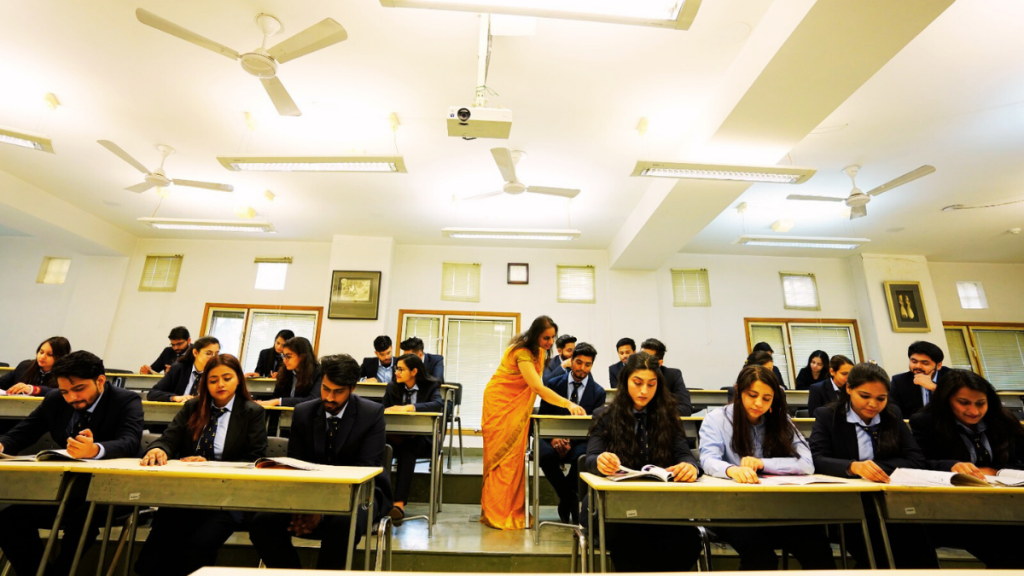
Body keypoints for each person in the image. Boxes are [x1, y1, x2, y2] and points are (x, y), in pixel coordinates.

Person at [0, 351, 143, 576]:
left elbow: (130, 441)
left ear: (100, 381)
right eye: (65, 391)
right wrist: (2, 444)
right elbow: (23, 432)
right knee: (9, 518)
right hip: (66, 491)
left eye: (78, 389)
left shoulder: (125, 400)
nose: (72, 398)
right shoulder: (56, 399)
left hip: (113, 492)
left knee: (82, 518)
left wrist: (95, 450)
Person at [249, 354, 392, 570]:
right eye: (325, 389)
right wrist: (306, 507)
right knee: (262, 523)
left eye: (338, 392)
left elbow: (365, 470)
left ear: (352, 388)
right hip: (308, 493)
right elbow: (296, 465)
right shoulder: (304, 412)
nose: (330, 397)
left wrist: (322, 511)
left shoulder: (371, 414)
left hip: (362, 494)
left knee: (343, 524)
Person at [135, 354, 267, 576]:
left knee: (198, 546)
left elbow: (254, 459)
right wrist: (158, 449)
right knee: (157, 547)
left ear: (238, 380)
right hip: (186, 493)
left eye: (227, 378)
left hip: (229, 496)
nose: (220, 384)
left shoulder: (252, 412)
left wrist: (211, 464)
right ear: (205, 383)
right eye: (213, 380)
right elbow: (168, 439)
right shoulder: (193, 407)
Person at [699, 365, 835, 570]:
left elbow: (807, 464)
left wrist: (763, 464)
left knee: (817, 546)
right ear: (738, 390)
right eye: (752, 395)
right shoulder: (717, 419)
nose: (758, 403)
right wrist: (731, 470)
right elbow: (708, 459)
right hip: (732, 509)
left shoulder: (781, 420)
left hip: (778, 507)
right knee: (761, 558)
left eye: (766, 398)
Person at [809, 363, 937, 569]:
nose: (873, 404)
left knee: (920, 553)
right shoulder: (828, 416)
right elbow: (816, 459)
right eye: (865, 396)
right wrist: (853, 467)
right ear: (849, 389)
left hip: (891, 500)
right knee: (878, 555)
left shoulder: (891, 414)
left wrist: (874, 467)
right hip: (845, 504)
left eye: (881, 398)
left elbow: (915, 460)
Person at [585, 352, 703, 572]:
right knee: (632, 541)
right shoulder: (605, 415)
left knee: (687, 540)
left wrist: (690, 466)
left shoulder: (667, 416)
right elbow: (590, 458)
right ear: (625, 381)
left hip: (659, 504)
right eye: (637, 383)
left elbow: (684, 454)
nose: (644, 391)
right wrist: (601, 461)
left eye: (651, 384)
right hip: (615, 506)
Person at [909, 369, 1024, 568]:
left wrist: (998, 471)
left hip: (1005, 506)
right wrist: (950, 466)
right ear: (947, 401)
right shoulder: (925, 422)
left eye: (981, 403)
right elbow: (918, 463)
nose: (974, 411)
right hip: (951, 510)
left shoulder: (1004, 421)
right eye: (964, 403)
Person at [479, 316, 585, 530]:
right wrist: (568, 404)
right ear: (535, 333)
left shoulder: (539, 351)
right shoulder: (521, 352)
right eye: (546, 337)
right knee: (503, 460)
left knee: (515, 459)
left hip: (516, 408)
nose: (549, 342)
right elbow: (537, 387)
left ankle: (512, 508)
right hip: (500, 405)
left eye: (552, 337)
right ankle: (497, 512)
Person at [537, 342, 606, 524]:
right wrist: (554, 438)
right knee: (544, 456)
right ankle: (569, 498)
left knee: (583, 457)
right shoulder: (553, 384)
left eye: (587, 364)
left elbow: (594, 427)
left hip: (579, 441)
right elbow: (544, 414)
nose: (582, 368)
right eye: (578, 362)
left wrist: (569, 440)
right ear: (571, 361)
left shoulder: (598, 392)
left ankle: (566, 498)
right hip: (550, 437)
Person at [380, 353, 444, 526]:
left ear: (414, 371)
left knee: (409, 448)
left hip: (422, 439)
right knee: (380, 446)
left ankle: (398, 505)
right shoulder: (392, 387)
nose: (396, 373)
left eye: (401, 369)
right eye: (396, 369)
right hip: (396, 437)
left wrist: (410, 407)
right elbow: (384, 410)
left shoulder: (430, 386)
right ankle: (379, 500)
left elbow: (438, 404)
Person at [147, 336, 220, 402]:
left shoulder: (217, 372)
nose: (214, 357)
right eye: (208, 353)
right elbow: (152, 393)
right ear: (195, 353)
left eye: (216, 353)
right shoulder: (179, 368)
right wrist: (175, 398)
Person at [889, 341, 950, 416]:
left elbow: (959, 403)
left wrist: (934, 387)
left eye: (925, 363)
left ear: (939, 366)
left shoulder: (952, 377)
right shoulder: (899, 381)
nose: (918, 366)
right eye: (914, 361)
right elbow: (893, 411)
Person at [257, 337, 321, 407]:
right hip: (282, 416)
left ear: (302, 357)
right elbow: (275, 397)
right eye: (283, 356)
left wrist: (279, 401)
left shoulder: (318, 372)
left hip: (304, 416)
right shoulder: (284, 372)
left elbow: (312, 399)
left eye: (288, 356)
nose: (284, 360)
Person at [0, 336, 71, 396]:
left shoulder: (66, 375)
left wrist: (33, 389)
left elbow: (60, 392)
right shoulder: (25, 366)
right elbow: (3, 382)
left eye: (50, 354)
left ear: (61, 357)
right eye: (41, 352)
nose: (42, 357)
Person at [639, 338, 692, 416]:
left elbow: (685, 409)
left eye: (647, 359)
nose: (641, 362)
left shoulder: (672, 375)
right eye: (640, 357)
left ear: (659, 363)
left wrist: (654, 413)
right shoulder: (631, 376)